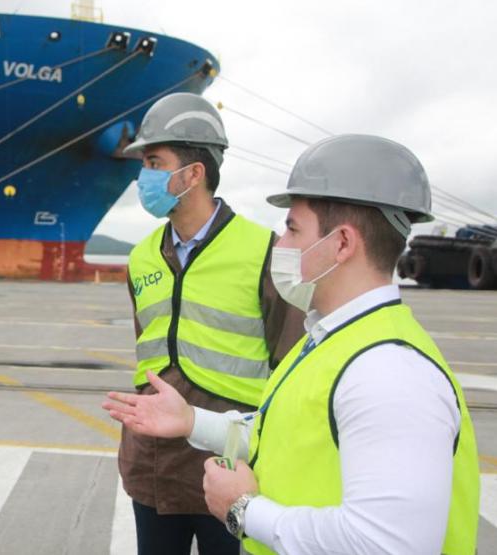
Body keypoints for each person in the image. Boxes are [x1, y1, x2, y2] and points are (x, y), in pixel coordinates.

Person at [104, 134, 480, 554]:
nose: (279, 245)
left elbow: (388, 546)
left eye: (292, 228)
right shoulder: (333, 341)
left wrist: (244, 508)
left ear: (341, 243)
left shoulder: (389, 374)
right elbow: (283, 432)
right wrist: (192, 420)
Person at [117, 92, 303, 555]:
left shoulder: (264, 251)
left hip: (231, 466)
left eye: (155, 162)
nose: (144, 177)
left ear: (194, 173)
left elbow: (292, 366)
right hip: (154, 468)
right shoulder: (141, 257)